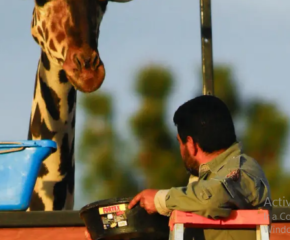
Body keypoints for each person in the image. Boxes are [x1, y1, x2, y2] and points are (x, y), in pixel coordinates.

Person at [85, 95, 271, 240]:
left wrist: (160, 200)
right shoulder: (197, 190)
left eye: (180, 143)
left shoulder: (244, 169)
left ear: (191, 144)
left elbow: (213, 197)